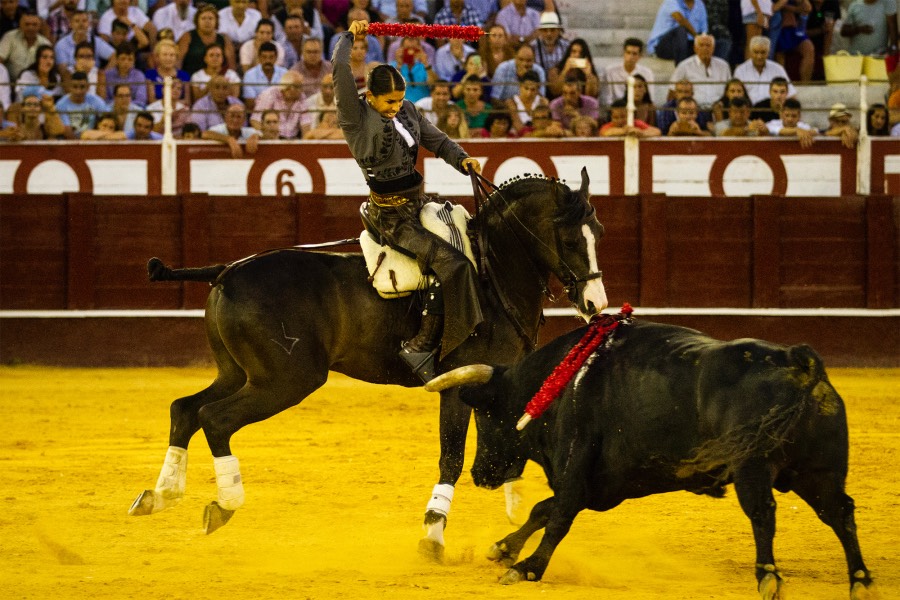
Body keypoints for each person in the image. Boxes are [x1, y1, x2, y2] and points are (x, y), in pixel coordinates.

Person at [332, 20, 484, 382]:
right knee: (454, 264)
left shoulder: (409, 111)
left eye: (400, 100)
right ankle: (421, 345)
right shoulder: (354, 116)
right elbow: (339, 69)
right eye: (389, 101)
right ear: (370, 96)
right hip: (390, 217)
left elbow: (439, 141)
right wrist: (350, 37)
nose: (395, 107)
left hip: (418, 203)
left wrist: (463, 159)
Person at [669, 33, 732, 109]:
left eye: (708, 45)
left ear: (713, 48)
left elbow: (729, 90)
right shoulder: (684, 66)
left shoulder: (723, 66)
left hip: (719, 109)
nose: (705, 48)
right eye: (701, 45)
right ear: (695, 48)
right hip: (694, 110)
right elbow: (672, 93)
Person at [733, 35, 796, 105]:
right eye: (756, 52)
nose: (759, 56)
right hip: (748, 111)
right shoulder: (740, 70)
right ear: (750, 52)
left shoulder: (778, 69)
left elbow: (791, 94)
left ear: (768, 53)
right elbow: (735, 96)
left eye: (763, 52)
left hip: (772, 111)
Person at [178, 4, 236, 76]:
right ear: (197, 21)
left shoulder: (224, 39)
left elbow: (231, 65)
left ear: (216, 21)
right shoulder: (187, 37)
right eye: (203, 18)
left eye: (210, 18)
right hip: (192, 80)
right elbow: (178, 61)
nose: (207, 21)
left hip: (218, 81)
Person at [647, 0, 708, 64]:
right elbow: (680, 19)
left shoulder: (699, 4)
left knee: (717, 44)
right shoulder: (671, 1)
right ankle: (681, 69)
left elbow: (704, 30)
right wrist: (696, 36)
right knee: (681, 30)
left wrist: (703, 41)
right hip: (664, 46)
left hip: (687, 45)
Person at [601, 37, 655, 108]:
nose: (630, 57)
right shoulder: (610, 71)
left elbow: (650, 97)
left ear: (640, 56)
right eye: (628, 52)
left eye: (634, 54)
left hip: (639, 109)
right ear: (623, 53)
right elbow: (607, 98)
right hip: (617, 110)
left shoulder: (647, 73)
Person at [249, 70, 304, 138]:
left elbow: (306, 124)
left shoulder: (301, 97)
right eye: (298, 87)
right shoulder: (270, 94)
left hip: (293, 140)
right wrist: (264, 137)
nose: (302, 90)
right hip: (270, 138)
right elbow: (255, 120)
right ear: (287, 87)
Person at [0, 10, 52, 81]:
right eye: (27, 24)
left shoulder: (45, 43)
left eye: (34, 24)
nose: (30, 28)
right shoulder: (9, 37)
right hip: (11, 84)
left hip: (35, 85)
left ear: (40, 26)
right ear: (20, 25)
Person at [56, 70, 109, 138]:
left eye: (82, 87)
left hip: (92, 139)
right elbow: (67, 132)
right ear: (70, 87)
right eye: (75, 87)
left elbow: (109, 120)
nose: (78, 91)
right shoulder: (61, 104)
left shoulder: (96, 101)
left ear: (88, 87)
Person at [774, 0, 815, 82]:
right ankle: (781, 84)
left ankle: (805, 85)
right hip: (778, 28)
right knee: (780, 54)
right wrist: (794, 9)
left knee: (809, 48)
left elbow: (808, 8)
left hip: (794, 28)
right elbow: (775, 7)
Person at [0, 90, 65, 140]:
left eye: (36, 105)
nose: (32, 107)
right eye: (28, 104)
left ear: (40, 109)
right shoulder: (16, 129)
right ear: (23, 108)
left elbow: (58, 131)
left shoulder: (45, 129)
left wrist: (50, 108)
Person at [242, 40, 288, 110]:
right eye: (264, 57)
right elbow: (250, 103)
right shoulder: (249, 75)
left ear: (276, 57)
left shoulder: (285, 73)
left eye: (271, 57)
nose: (268, 61)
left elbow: (288, 98)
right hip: (258, 114)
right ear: (259, 57)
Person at [389, 36, 435, 103]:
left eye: (414, 50)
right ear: (400, 49)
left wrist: (426, 64)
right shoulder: (393, 66)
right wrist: (399, 66)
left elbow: (433, 84)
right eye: (407, 50)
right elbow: (391, 87)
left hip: (422, 105)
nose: (410, 53)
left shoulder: (425, 66)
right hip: (400, 104)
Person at [105, 42, 148, 107]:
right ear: (116, 59)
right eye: (123, 59)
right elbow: (105, 100)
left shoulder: (139, 76)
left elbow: (141, 101)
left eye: (130, 59)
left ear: (134, 61)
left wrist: (125, 106)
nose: (126, 62)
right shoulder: (107, 75)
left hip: (133, 110)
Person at [505, 69, 547, 133]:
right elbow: (518, 126)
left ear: (538, 89)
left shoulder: (542, 102)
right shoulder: (511, 102)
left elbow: (544, 125)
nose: (529, 93)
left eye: (533, 89)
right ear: (520, 86)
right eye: (526, 88)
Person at [531, 11, 569, 75]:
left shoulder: (566, 46)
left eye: (552, 30)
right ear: (540, 31)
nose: (549, 34)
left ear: (558, 31)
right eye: (545, 30)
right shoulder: (533, 47)